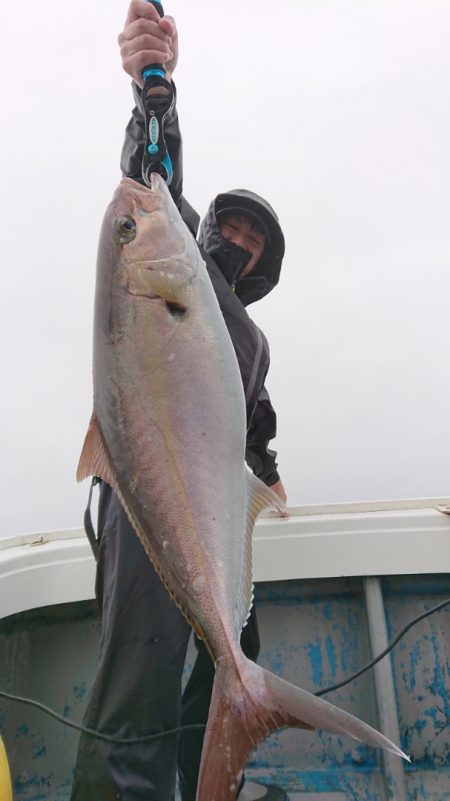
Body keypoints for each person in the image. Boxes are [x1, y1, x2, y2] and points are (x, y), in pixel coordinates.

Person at [71, 3, 289, 800]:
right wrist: (153, 90)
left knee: (234, 644)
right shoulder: (175, 259)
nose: (236, 238)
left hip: (217, 511)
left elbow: (253, 430)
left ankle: (211, 780)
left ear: (262, 267)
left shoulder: (253, 343)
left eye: (253, 238)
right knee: (141, 668)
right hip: (148, 497)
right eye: (229, 225)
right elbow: (153, 173)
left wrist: (266, 477)